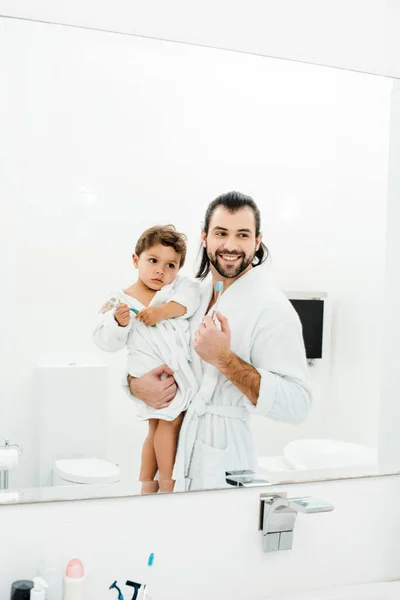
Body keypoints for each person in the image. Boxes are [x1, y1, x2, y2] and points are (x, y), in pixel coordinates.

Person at [128, 192, 312, 491]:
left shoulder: (272, 308)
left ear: (257, 241)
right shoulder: (193, 295)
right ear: (205, 237)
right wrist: (136, 385)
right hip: (177, 442)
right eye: (221, 233)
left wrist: (224, 360)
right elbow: (150, 347)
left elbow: (298, 405)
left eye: (242, 235)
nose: (230, 245)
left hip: (223, 455)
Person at [93, 225, 199, 493]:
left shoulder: (177, 290)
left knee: (154, 429)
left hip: (172, 366)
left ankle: (146, 484)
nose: (160, 271)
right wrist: (117, 322)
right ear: (135, 260)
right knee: (170, 422)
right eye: (153, 261)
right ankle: (166, 483)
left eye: (171, 265)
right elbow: (104, 340)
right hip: (150, 369)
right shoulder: (120, 299)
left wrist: (162, 312)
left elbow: (191, 301)